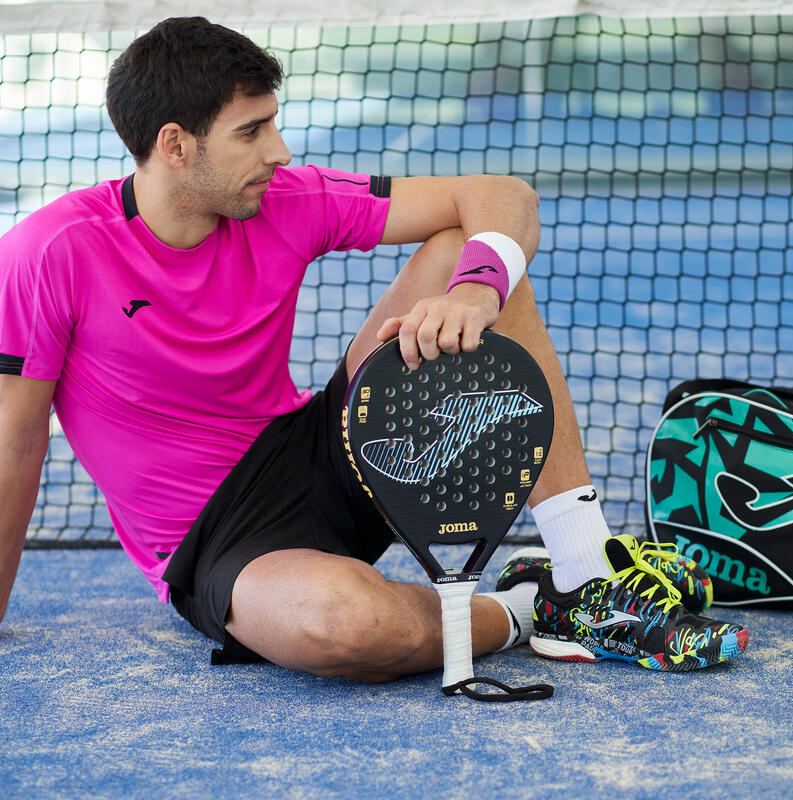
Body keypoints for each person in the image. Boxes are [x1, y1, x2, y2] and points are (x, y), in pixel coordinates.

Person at [0, 16, 747, 680]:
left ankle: (587, 571)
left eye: (274, 123)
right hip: (216, 540)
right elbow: (15, 441)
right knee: (348, 625)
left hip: (328, 448)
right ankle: (532, 605)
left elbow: (500, 194)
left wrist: (477, 290)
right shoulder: (50, 252)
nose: (280, 149)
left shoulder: (285, 197)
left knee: (471, 247)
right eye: (251, 131)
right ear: (174, 145)